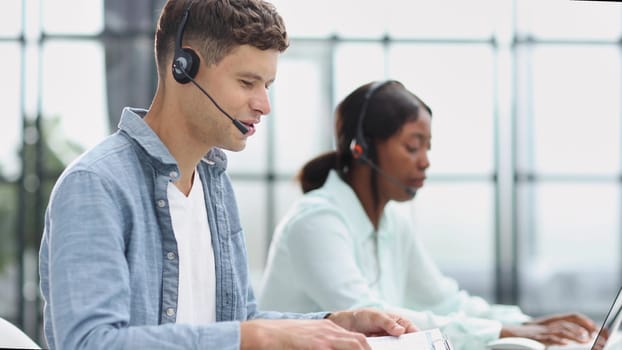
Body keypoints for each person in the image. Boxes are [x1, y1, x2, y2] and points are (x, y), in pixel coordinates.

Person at [37, 2, 418, 349]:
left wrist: (336, 323)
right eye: (247, 82)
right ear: (184, 69)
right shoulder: (95, 185)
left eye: (266, 86)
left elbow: (238, 323)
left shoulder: (214, 185)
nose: (264, 105)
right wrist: (248, 336)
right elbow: (89, 343)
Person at [257, 80, 598, 350]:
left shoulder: (393, 224)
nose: (425, 161)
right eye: (412, 145)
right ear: (362, 148)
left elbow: (445, 300)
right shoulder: (316, 222)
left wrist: (531, 324)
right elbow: (374, 318)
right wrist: (506, 330)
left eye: (427, 146)